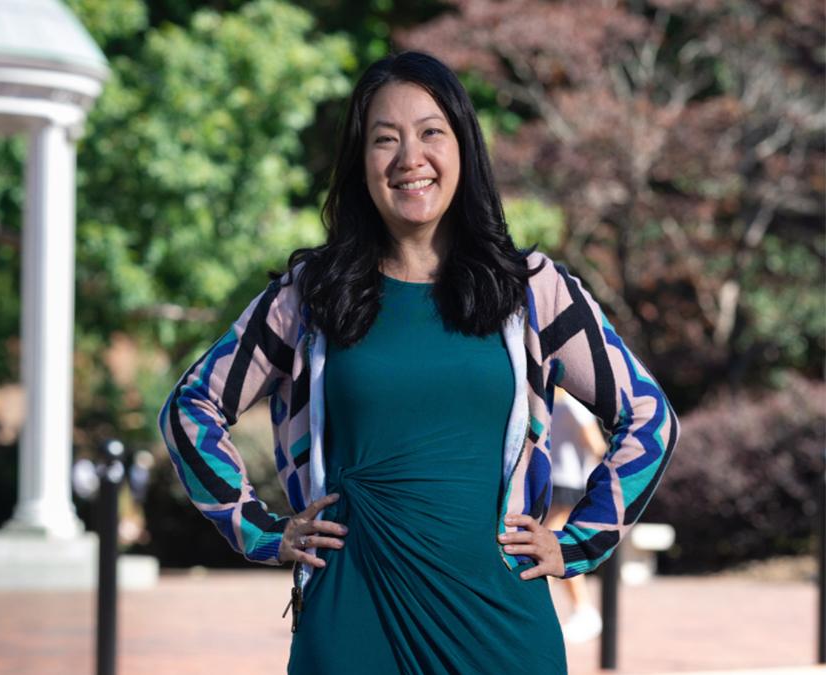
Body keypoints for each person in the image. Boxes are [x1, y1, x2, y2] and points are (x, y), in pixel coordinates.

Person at [157, 51, 679, 674]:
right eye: (385, 140)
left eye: (431, 132)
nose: (410, 158)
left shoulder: (532, 290)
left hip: (500, 628)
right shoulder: (311, 295)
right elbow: (190, 408)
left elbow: (650, 418)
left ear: (463, 146)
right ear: (361, 163)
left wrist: (579, 542)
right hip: (350, 624)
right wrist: (260, 531)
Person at [545, 387, 609, 644]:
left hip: (568, 483)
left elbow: (595, 444)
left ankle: (584, 610)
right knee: (550, 547)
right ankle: (581, 610)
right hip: (561, 482)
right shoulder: (563, 405)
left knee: (552, 548)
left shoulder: (563, 406)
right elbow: (596, 445)